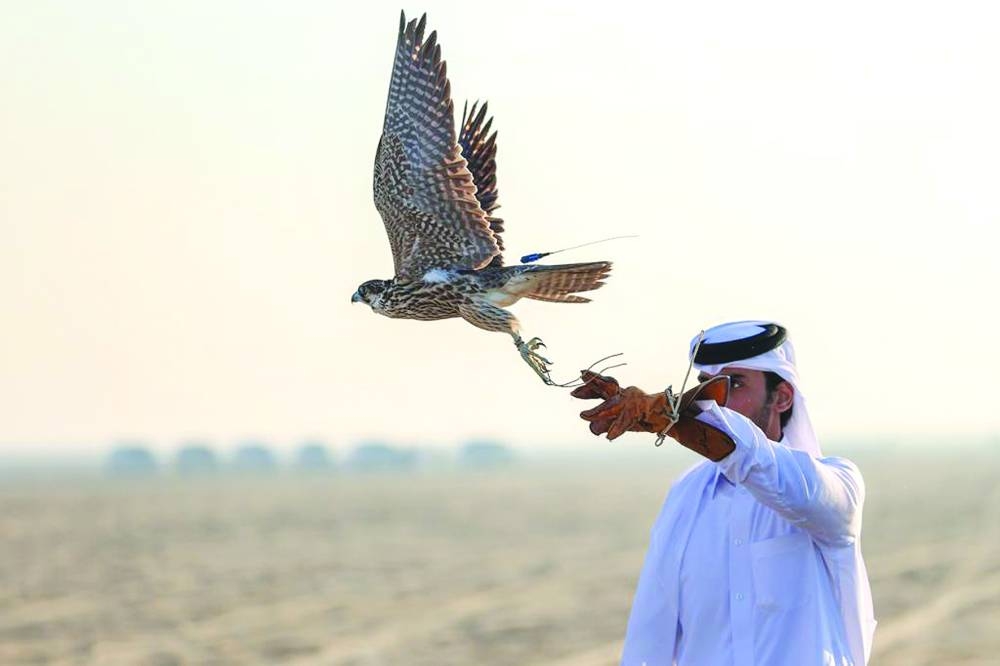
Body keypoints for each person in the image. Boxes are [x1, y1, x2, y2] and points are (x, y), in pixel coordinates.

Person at [571, 320, 876, 666]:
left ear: (782, 396)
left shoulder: (837, 486)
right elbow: (650, 634)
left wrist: (677, 420)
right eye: (704, 385)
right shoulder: (685, 497)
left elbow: (767, 468)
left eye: (734, 383)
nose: (712, 400)